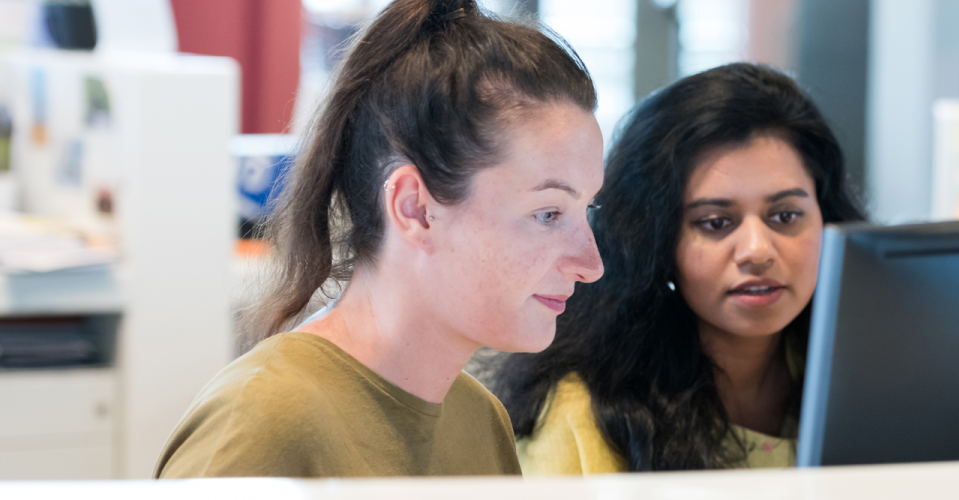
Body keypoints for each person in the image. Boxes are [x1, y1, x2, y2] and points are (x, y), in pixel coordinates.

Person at [155, 0, 604, 478]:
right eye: (549, 213)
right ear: (414, 209)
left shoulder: (479, 419)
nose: (590, 263)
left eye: (587, 210)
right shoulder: (262, 422)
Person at [484, 63, 866, 473]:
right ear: (655, 240)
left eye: (786, 216)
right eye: (715, 222)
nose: (758, 251)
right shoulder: (583, 414)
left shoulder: (874, 377)